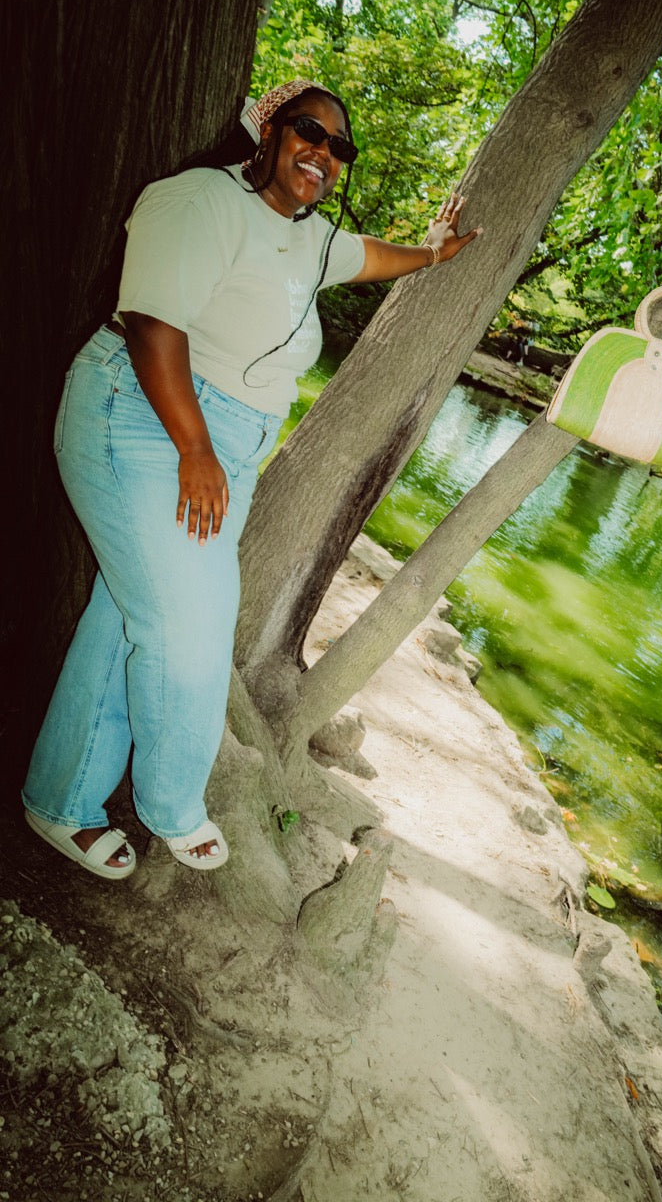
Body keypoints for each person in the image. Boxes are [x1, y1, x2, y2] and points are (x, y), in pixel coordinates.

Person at [22, 77, 482, 879]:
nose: (324, 155)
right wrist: (196, 449)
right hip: (142, 416)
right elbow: (152, 327)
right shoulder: (198, 201)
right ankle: (173, 806)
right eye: (310, 132)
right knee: (188, 628)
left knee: (129, 612)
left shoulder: (310, 238)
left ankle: (59, 800)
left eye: (340, 148)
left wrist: (436, 250)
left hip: (222, 445)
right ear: (267, 130)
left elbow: (376, 257)